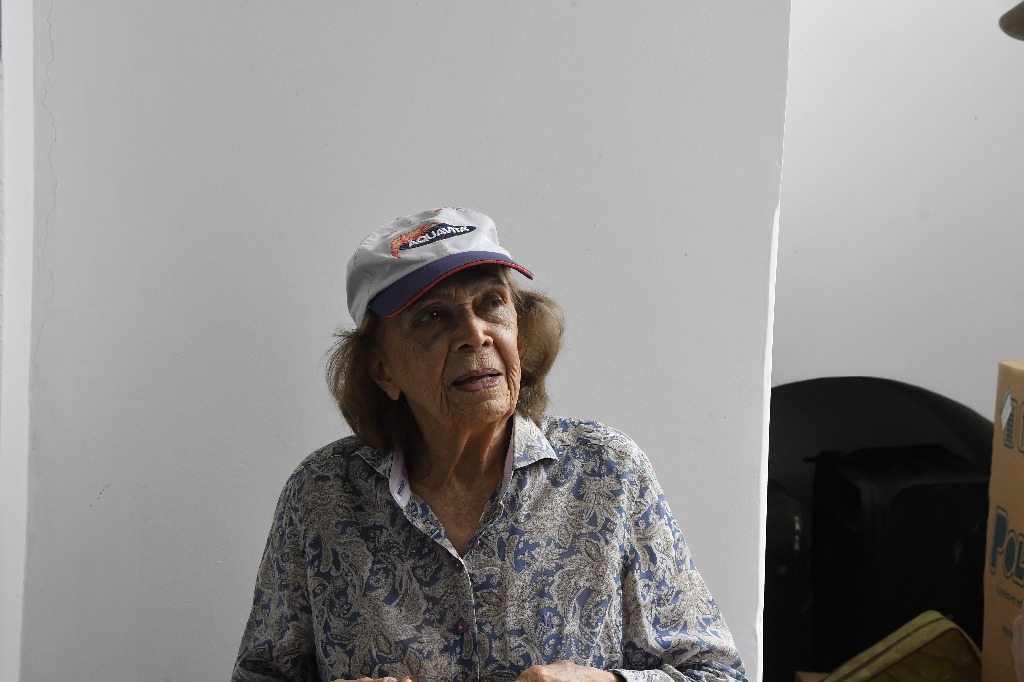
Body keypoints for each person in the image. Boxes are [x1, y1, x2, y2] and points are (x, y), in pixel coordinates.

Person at [232, 207, 747, 682]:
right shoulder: (322, 494)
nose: (474, 334)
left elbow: (718, 674)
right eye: (432, 316)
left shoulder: (607, 473)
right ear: (382, 368)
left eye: (492, 303)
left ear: (520, 329)